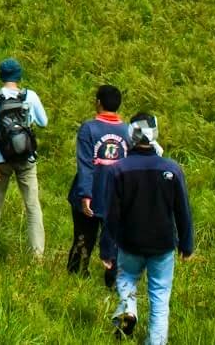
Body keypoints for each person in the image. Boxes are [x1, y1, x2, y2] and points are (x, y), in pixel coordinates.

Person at [99, 113, 194, 345]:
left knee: (126, 278)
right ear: (154, 134)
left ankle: (128, 309)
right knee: (160, 297)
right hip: (163, 244)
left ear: (130, 135)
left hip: (129, 242)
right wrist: (186, 244)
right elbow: (183, 210)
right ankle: (156, 342)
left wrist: (107, 250)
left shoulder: (118, 170)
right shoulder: (172, 169)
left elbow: (111, 215)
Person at [0, 57, 48, 258]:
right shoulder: (31, 96)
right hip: (26, 158)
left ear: (1, 76)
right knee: (32, 206)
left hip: (1, 159)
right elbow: (44, 122)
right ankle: (37, 255)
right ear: (19, 76)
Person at [67, 84, 129, 287]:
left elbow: (85, 164)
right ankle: (113, 281)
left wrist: (85, 194)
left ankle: (76, 275)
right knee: (115, 239)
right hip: (117, 195)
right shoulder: (128, 131)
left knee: (84, 237)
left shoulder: (89, 128)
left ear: (98, 102)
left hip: (92, 191)